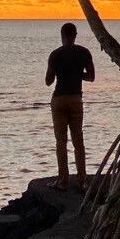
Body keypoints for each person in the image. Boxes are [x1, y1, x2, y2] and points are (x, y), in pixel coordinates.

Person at [45, 23, 95, 191]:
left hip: (59, 99)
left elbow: (48, 81)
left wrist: (60, 72)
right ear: (75, 35)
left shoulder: (55, 55)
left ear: (62, 35)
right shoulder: (84, 53)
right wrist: (78, 74)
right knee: (78, 140)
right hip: (75, 98)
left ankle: (63, 179)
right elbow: (91, 77)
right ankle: (81, 179)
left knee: (61, 141)